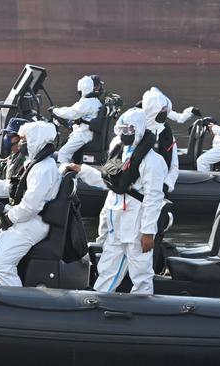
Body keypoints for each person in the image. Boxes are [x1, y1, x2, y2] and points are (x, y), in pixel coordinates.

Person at [66, 108, 167, 294]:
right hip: (116, 224)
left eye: (128, 131)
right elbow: (109, 182)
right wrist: (83, 170)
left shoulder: (152, 161)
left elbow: (153, 198)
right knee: (107, 267)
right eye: (121, 130)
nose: (124, 135)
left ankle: (144, 309)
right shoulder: (120, 152)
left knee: (141, 272)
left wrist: (148, 232)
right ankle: (97, 303)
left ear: (138, 129)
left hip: (136, 226)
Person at [0, 121, 61, 287]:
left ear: (35, 140)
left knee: (2, 266)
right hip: (22, 219)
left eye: (23, 139)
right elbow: (11, 188)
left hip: (33, 224)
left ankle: (17, 301)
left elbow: (31, 207)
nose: (20, 142)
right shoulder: (32, 164)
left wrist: (8, 218)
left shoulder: (44, 169)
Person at [52, 75, 104, 164]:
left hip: (84, 135)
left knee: (63, 153)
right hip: (89, 133)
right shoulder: (94, 101)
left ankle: (63, 175)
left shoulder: (87, 102)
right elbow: (74, 111)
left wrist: (54, 110)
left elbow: (71, 113)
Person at [141, 87, 181, 193]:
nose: (164, 112)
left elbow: (174, 165)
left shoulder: (167, 135)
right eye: (162, 109)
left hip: (157, 190)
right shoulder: (134, 131)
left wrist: (167, 184)